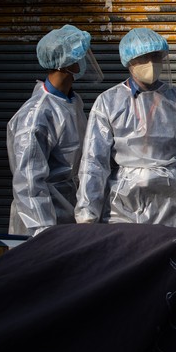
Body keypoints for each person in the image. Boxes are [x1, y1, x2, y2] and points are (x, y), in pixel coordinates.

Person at [74, 28, 176, 237]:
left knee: (170, 261)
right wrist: (87, 215)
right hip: (124, 202)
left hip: (171, 202)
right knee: (125, 261)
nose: (151, 63)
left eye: (156, 56)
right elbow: (94, 162)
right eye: (143, 58)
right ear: (129, 61)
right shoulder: (109, 102)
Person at [7, 24, 103, 237]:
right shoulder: (36, 115)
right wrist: (42, 232)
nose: (84, 60)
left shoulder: (72, 101)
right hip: (41, 221)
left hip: (69, 211)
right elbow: (29, 183)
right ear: (64, 64)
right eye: (79, 54)